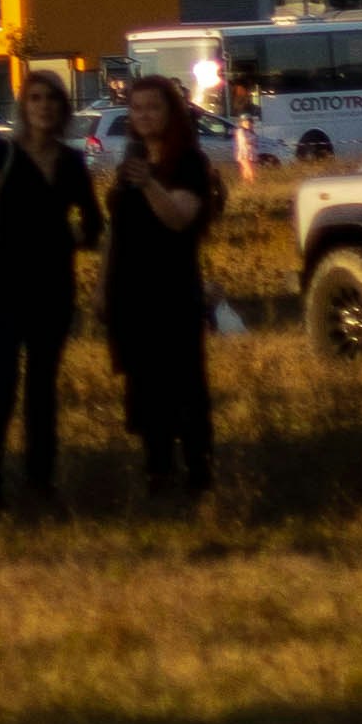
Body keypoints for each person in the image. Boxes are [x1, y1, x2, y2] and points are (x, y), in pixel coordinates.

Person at [0, 70, 102, 516]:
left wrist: (69, 239)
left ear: (62, 109)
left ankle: (41, 480)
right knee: (1, 383)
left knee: (42, 388)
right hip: (0, 289)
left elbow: (94, 224)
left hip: (52, 290)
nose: (43, 105)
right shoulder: (3, 152)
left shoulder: (72, 162)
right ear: (24, 107)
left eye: (51, 99)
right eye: (35, 98)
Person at [103, 71, 224, 503]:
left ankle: (199, 474)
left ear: (171, 112)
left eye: (154, 107)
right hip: (132, 295)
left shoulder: (188, 163)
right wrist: (105, 292)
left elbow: (180, 218)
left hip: (173, 294)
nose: (145, 115)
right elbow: (116, 235)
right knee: (145, 389)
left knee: (186, 387)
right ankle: (158, 472)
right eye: (137, 108)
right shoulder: (129, 164)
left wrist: (149, 182)